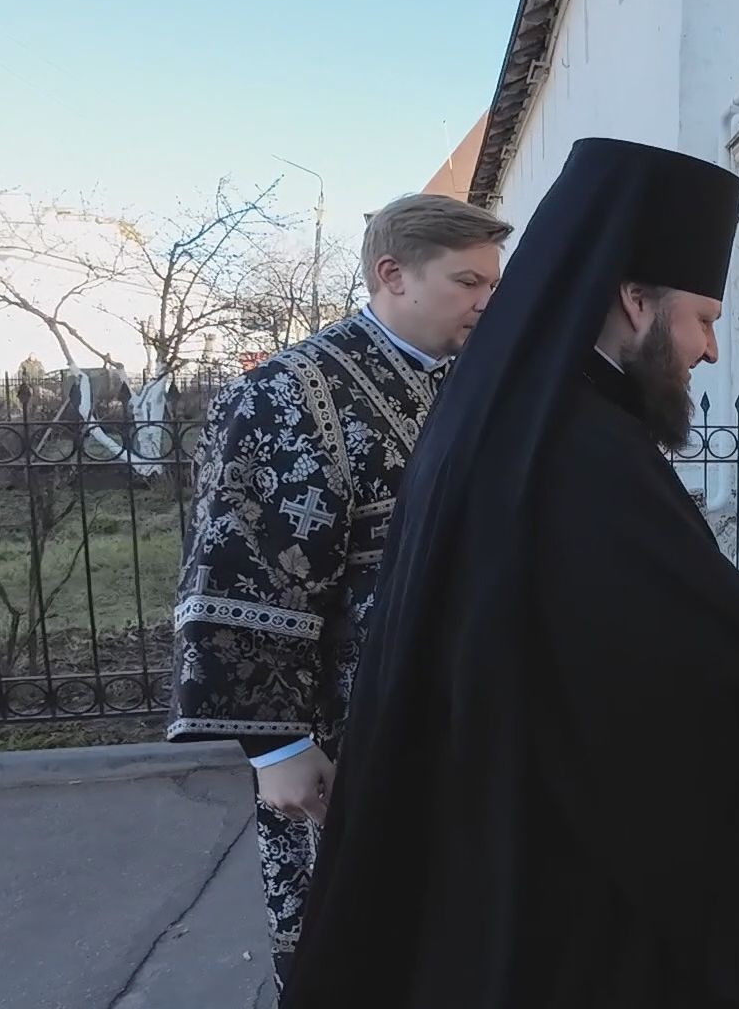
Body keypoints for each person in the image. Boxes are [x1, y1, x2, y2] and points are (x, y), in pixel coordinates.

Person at [278, 138, 739, 1009]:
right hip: (570, 869)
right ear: (635, 301)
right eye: (703, 317)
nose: (711, 350)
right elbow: (694, 670)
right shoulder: (583, 449)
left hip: (503, 820)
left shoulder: (541, 412)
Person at [165, 193, 513, 990]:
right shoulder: (288, 391)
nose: (487, 301)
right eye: (468, 282)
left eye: (492, 282)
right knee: (361, 946)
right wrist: (277, 747)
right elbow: (235, 568)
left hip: (461, 723)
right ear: (392, 273)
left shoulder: (461, 382)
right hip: (351, 734)